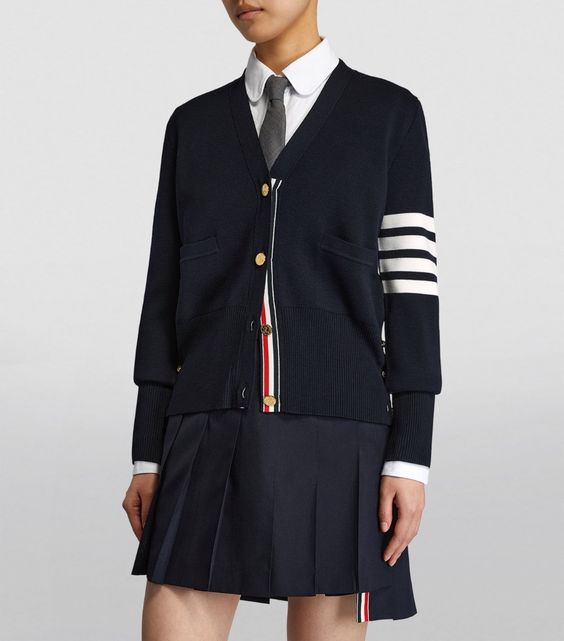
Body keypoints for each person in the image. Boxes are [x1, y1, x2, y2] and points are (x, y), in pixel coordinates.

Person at [122, 1, 442, 639]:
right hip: (205, 421)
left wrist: (410, 457)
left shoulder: (388, 115)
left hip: (341, 424)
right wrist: (147, 454)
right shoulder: (193, 125)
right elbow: (164, 296)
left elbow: (411, 293)